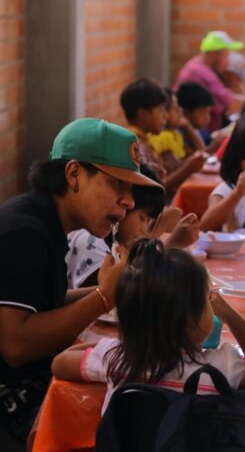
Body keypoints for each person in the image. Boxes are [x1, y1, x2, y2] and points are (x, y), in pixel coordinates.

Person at [0, 118, 161, 447]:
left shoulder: (46, 222)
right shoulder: (24, 232)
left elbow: (47, 303)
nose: (129, 201)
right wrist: (103, 297)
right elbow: (15, 345)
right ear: (74, 174)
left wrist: (123, 284)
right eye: (118, 185)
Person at [52, 239, 245, 413]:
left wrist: (122, 342)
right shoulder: (221, 367)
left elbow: (60, 362)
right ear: (190, 319)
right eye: (206, 301)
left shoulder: (116, 358)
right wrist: (230, 314)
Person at [66, 165, 200, 288]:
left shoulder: (116, 241)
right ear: (124, 207)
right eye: (142, 218)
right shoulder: (92, 240)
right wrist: (171, 244)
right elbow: (116, 291)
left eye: (149, 222)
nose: (145, 229)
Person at [120, 78, 207, 199]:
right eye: (160, 110)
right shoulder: (136, 146)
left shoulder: (143, 140)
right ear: (143, 114)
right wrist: (187, 169)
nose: (165, 116)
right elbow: (152, 191)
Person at [175, 30, 245, 132]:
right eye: (225, 56)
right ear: (213, 54)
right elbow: (232, 104)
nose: (227, 62)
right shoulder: (203, 73)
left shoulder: (197, 65)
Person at [148, 87, 207, 173]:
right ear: (165, 112)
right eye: (174, 108)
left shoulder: (175, 134)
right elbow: (175, 168)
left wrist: (187, 125)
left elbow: (201, 154)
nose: (180, 111)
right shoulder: (163, 137)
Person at [175, 81, 228, 154]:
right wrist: (188, 126)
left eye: (208, 113)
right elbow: (200, 157)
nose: (207, 117)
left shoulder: (201, 132)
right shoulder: (178, 134)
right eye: (202, 113)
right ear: (185, 112)